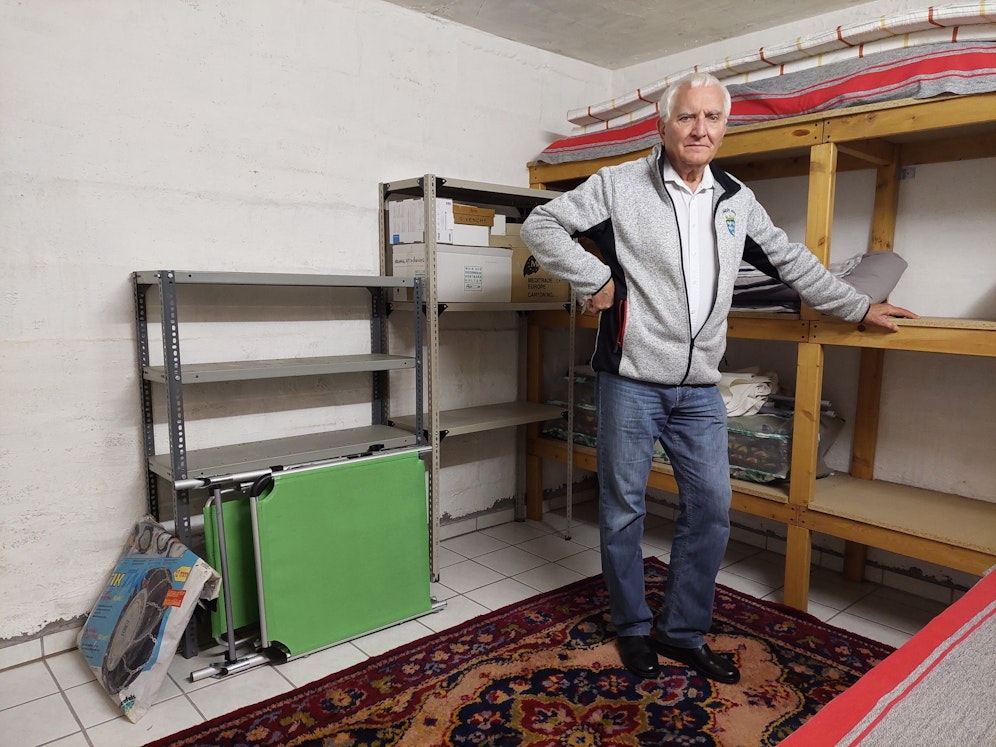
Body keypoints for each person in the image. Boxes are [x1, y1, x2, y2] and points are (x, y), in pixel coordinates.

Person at [520, 72, 917, 684]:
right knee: (622, 509)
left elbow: (791, 261)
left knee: (711, 508)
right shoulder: (619, 184)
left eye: (712, 118)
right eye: (687, 116)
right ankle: (632, 629)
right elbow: (541, 224)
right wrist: (595, 279)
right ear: (664, 126)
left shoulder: (736, 200)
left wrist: (859, 306)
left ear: (725, 128)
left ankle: (681, 632)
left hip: (701, 387)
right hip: (630, 379)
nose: (699, 129)